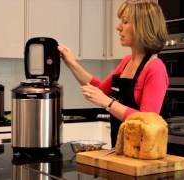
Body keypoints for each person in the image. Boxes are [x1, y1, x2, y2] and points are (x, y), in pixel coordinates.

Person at [58, 0, 169, 147]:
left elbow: (148, 122)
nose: (118, 27)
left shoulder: (155, 68)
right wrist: (71, 63)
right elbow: (101, 90)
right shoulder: (126, 61)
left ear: (142, 27)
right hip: (120, 150)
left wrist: (108, 103)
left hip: (141, 154)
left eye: (125, 22)